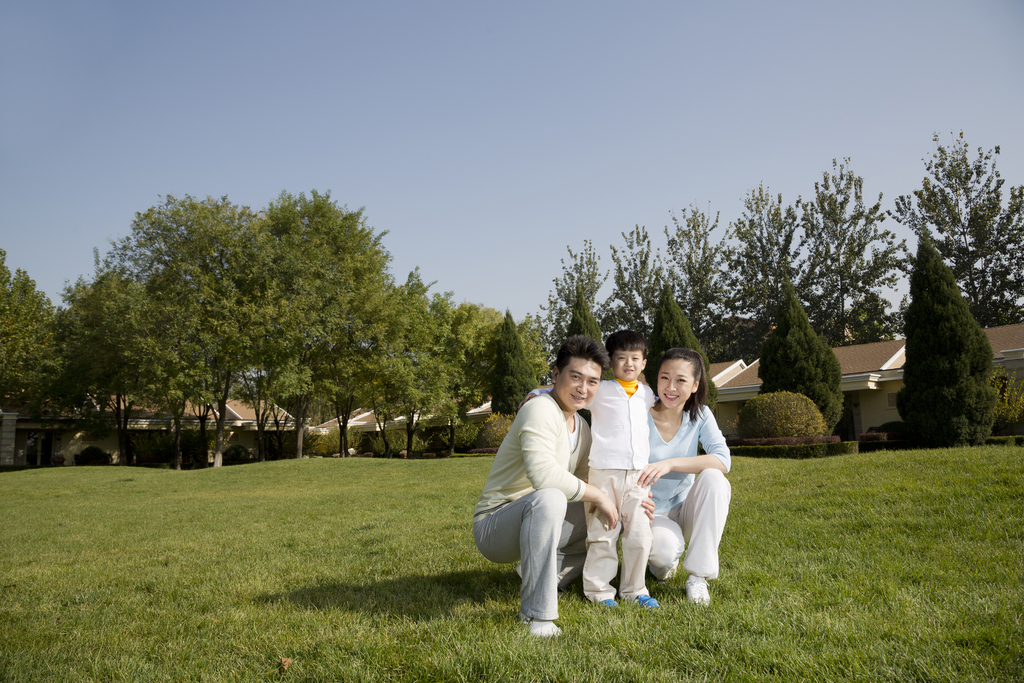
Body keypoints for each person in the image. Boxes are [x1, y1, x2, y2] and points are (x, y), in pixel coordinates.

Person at [473, 335, 620, 638]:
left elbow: (585, 483)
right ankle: (535, 616)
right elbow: (544, 476)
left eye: (593, 381)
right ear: (556, 375)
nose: (583, 388)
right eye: (575, 376)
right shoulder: (539, 408)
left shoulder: (582, 426)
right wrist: (599, 496)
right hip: (495, 525)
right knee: (552, 497)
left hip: (538, 517)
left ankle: (544, 572)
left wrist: (621, 501)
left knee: (608, 516)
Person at [528, 330, 659, 609]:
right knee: (603, 534)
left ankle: (635, 590)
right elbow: (568, 393)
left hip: (638, 476)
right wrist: (535, 393)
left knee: (639, 534)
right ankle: (599, 592)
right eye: (621, 358)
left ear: (644, 362)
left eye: (635, 359)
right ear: (611, 362)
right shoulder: (602, 390)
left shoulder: (647, 394)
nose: (629, 364)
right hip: (604, 474)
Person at [638, 347, 732, 606]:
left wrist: (670, 463)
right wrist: (540, 393)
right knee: (663, 554)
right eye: (665, 377)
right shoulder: (639, 412)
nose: (671, 387)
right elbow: (603, 394)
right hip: (651, 511)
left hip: (685, 508)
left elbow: (723, 460)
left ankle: (698, 577)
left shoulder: (700, 415)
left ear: (694, 385)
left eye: (681, 380)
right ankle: (664, 562)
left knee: (715, 478)